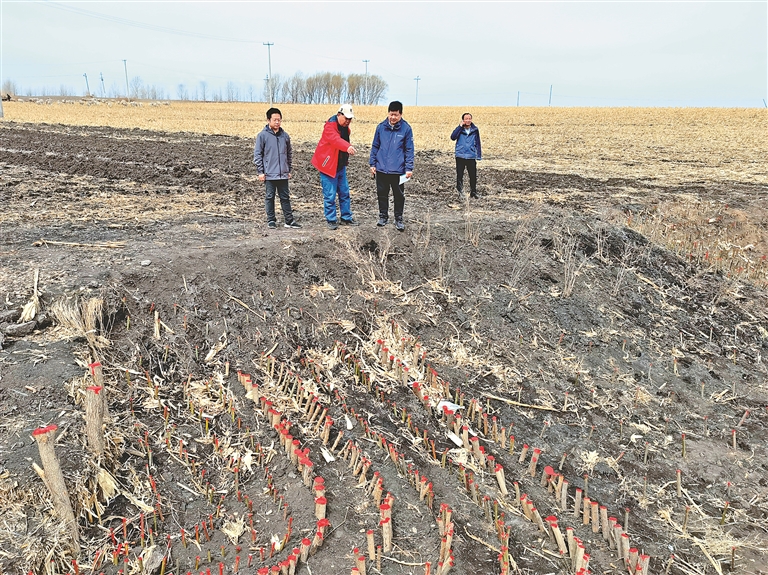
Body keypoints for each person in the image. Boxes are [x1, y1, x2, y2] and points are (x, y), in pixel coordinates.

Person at [311, 104, 359, 230]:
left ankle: (346, 217)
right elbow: (335, 140)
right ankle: (331, 219)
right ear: (339, 115)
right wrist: (347, 147)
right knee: (330, 195)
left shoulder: (345, 128)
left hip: (340, 165)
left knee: (344, 192)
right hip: (328, 166)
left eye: (350, 119)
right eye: (346, 118)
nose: (348, 121)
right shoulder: (330, 127)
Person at [369, 100, 414, 231]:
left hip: (398, 170)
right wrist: (372, 163)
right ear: (388, 113)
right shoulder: (381, 127)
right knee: (382, 193)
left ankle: (398, 218)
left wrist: (409, 167)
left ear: (401, 114)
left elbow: (409, 149)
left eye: (396, 115)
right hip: (381, 168)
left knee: (399, 195)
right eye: (391, 114)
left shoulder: (406, 129)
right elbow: (375, 146)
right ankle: (383, 216)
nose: (393, 117)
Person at [253, 107, 301, 229]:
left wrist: (288, 169)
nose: (277, 122)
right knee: (270, 196)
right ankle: (271, 220)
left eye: (279, 120)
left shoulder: (285, 136)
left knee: (285, 197)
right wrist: (260, 172)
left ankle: (289, 221)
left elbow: (289, 153)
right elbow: (258, 154)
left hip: (283, 173)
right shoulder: (262, 136)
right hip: (269, 173)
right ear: (268, 120)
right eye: (275, 120)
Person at [450, 112, 482, 198]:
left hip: (471, 155)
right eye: (466, 119)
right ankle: (460, 192)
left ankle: (473, 192)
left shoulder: (475, 130)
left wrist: (478, 155)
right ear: (463, 120)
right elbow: (453, 137)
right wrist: (459, 126)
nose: (468, 120)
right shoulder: (460, 130)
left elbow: (478, 142)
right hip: (460, 155)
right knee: (460, 175)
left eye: (469, 118)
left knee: (473, 175)